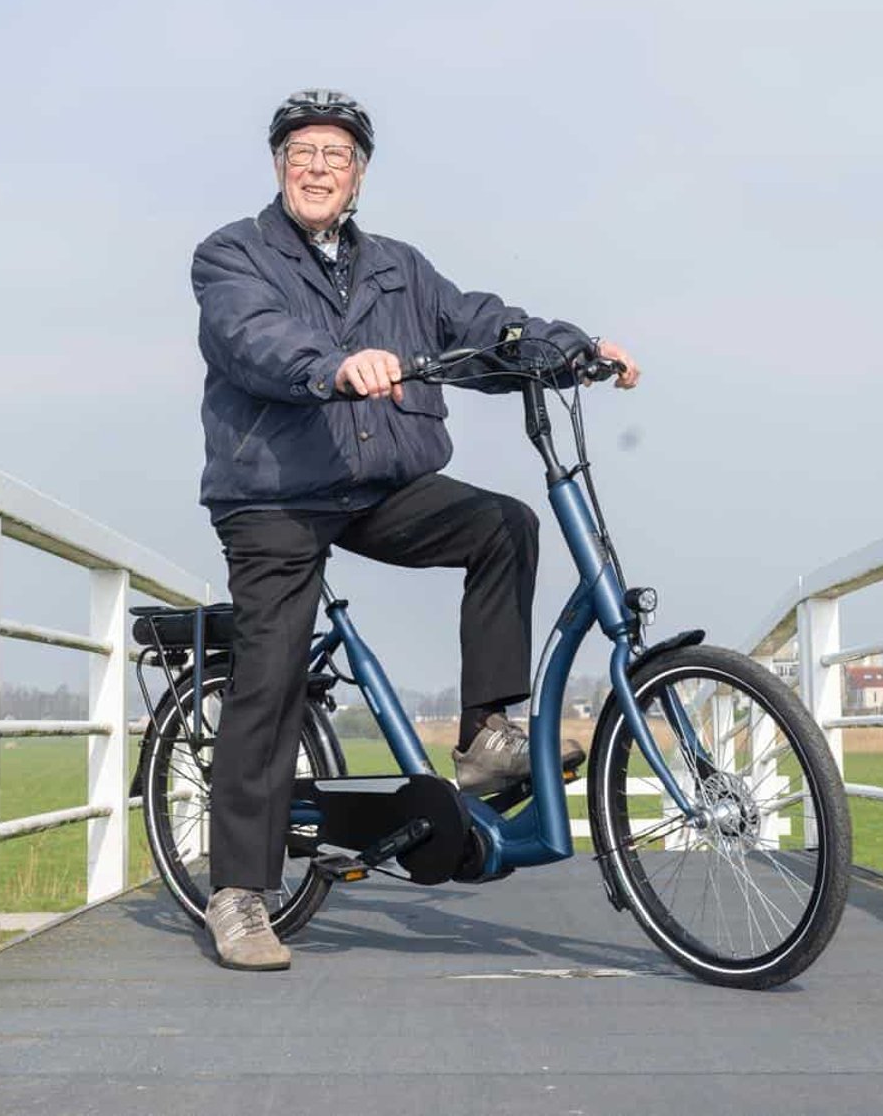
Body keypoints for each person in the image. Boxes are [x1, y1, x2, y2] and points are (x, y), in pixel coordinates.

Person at [190, 90, 641, 970]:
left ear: (359, 174)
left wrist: (574, 347)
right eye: (302, 153)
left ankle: (482, 739)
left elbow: (477, 322)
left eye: (336, 155)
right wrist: (331, 365)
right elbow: (254, 336)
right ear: (279, 164)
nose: (317, 167)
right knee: (272, 672)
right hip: (274, 495)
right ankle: (239, 890)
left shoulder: (398, 267)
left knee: (502, 525)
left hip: (374, 482)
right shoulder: (232, 254)